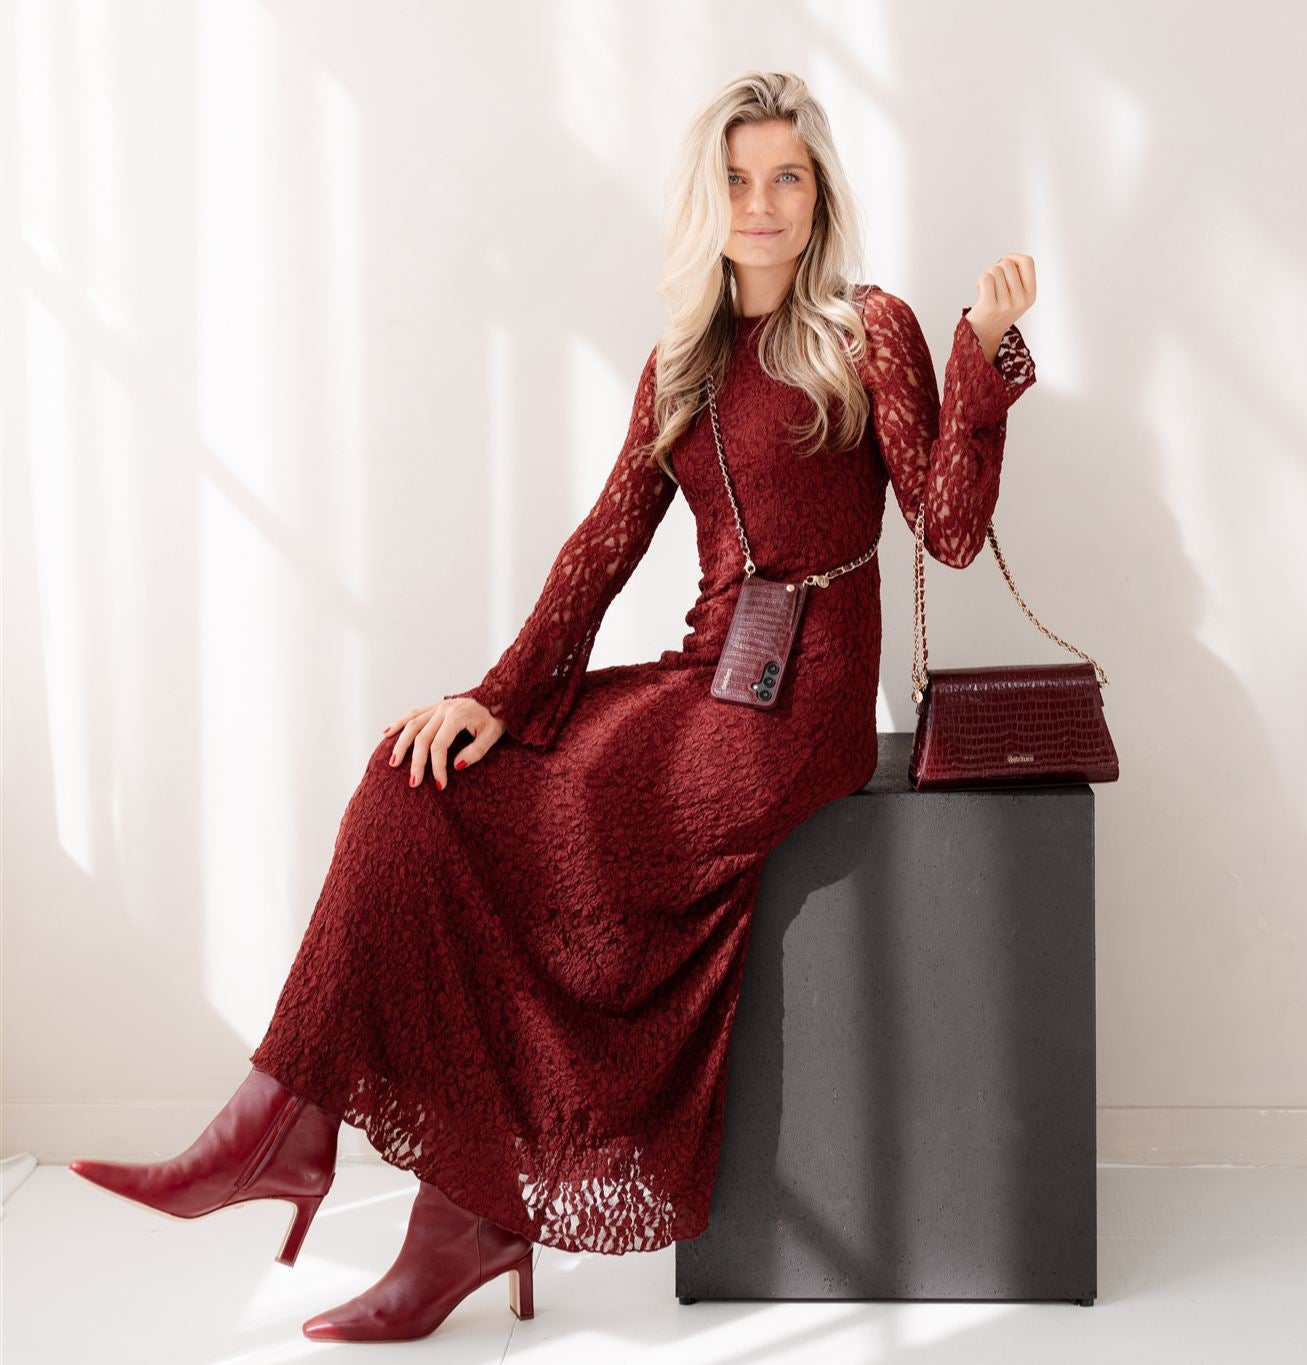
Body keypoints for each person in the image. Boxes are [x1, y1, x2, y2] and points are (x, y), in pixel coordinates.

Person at [68, 69, 1037, 1344]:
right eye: (736, 180)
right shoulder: (682, 362)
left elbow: (950, 532)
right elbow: (603, 546)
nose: (760, 203)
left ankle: (440, 1206)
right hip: (706, 680)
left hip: (798, 719)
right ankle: (292, 1126)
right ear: (705, 199)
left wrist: (979, 354)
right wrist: (495, 697)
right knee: (416, 781)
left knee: (543, 841)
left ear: (819, 196)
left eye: (785, 179)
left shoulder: (871, 329)